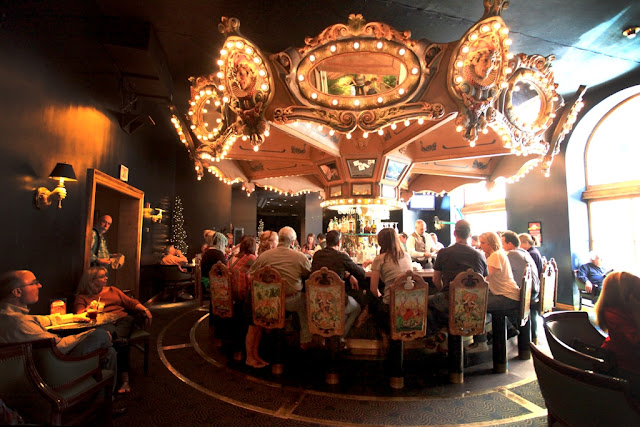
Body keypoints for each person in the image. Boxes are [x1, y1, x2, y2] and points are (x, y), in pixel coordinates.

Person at [0, 270, 117, 371]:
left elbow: (45, 319)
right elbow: (58, 345)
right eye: (34, 283)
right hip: (53, 370)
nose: (39, 285)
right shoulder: (21, 323)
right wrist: (89, 334)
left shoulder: (8, 315)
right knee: (101, 334)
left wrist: (75, 317)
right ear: (17, 292)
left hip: (38, 364)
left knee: (109, 352)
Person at [75, 266, 152, 394]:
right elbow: (79, 314)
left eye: (106, 275)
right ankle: (124, 379)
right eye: (102, 276)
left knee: (117, 337)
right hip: (104, 322)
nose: (106, 278)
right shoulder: (83, 297)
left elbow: (131, 302)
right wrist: (90, 309)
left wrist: (145, 310)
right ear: (92, 280)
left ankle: (116, 377)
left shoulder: (113, 290)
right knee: (119, 340)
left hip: (123, 319)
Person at [249, 226, 312, 349]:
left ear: (279, 239)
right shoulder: (299, 257)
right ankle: (305, 340)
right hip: (290, 300)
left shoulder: (264, 256)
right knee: (306, 303)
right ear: (293, 242)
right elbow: (309, 274)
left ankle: (285, 328)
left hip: (267, 301)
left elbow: (252, 275)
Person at [432, 220, 488, 332]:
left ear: (454, 233)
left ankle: (442, 333)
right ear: (470, 234)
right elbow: (484, 281)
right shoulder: (480, 255)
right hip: (474, 302)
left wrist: (443, 291)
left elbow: (435, 280)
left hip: (449, 299)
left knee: (426, 304)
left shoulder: (443, 253)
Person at [469, 231, 521, 352]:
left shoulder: (495, 256)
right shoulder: (499, 254)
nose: (480, 245)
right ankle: (508, 328)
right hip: (510, 295)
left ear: (492, 243)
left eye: (483, 243)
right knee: (482, 301)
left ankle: (480, 342)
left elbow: (484, 278)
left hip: (506, 296)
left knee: (476, 305)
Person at [311, 230, 365, 338]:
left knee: (341, 312)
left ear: (326, 242)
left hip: (317, 302)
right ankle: (340, 337)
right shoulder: (341, 256)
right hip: (336, 302)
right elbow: (362, 273)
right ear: (339, 243)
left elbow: (325, 272)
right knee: (357, 308)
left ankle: (328, 334)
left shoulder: (317, 255)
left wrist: (347, 275)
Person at [595, 272, 640, 394]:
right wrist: (637, 311)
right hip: (623, 364)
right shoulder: (612, 313)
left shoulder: (628, 308)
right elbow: (636, 342)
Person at [362, 228, 412, 336]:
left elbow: (373, 289)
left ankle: (383, 336)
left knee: (370, 298)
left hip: (391, 307)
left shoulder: (380, 259)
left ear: (380, 242)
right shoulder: (407, 256)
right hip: (411, 304)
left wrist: (381, 298)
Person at [227, 235, 263, 368]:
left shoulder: (232, 259)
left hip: (231, 298)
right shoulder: (251, 259)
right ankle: (253, 353)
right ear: (253, 247)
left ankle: (237, 352)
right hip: (244, 299)